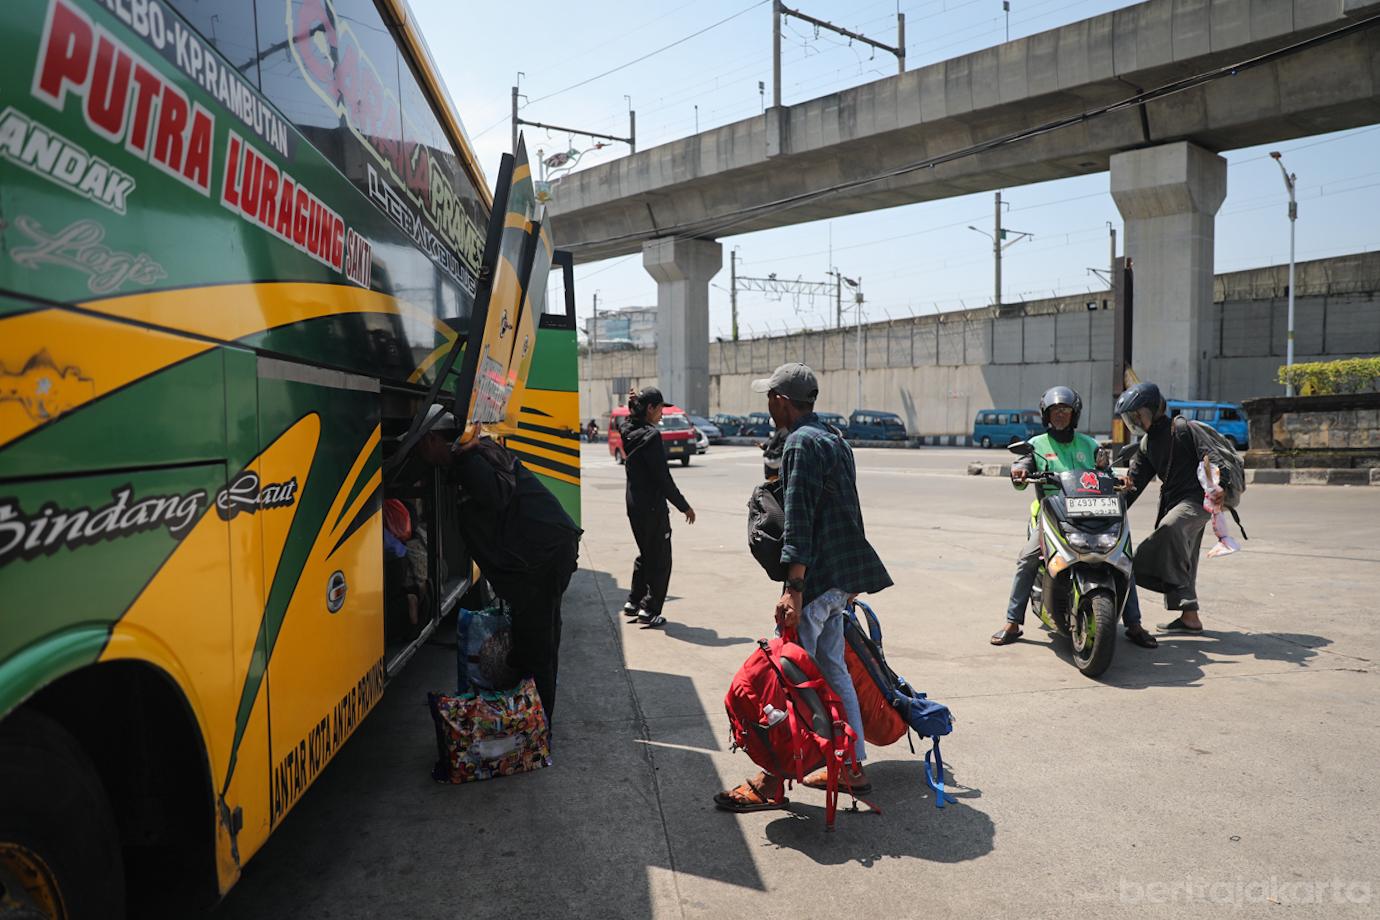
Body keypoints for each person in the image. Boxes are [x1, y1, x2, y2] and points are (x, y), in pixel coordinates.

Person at [717, 363, 891, 812]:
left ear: (780, 401)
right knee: (831, 668)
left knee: (785, 676)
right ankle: (851, 765)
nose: (768, 407)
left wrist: (793, 588)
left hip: (816, 581)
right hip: (842, 575)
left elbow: (799, 519)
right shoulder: (833, 438)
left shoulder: (799, 444)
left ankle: (772, 780)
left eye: (769, 400)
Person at [416, 406, 581, 724]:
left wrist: (465, 459)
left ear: (434, 439)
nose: (423, 455)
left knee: (537, 646)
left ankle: (538, 729)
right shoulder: (472, 457)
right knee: (538, 640)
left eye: (423, 445)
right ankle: (534, 720)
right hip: (546, 552)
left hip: (543, 559)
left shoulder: (470, 461)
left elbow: (493, 497)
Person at [990, 386, 1158, 649]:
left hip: (1092, 510)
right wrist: (1020, 472)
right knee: (1027, 558)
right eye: (1055, 411)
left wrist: (1119, 478)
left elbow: (1104, 473)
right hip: (1052, 514)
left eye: (1065, 410)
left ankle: (1134, 624)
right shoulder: (1036, 445)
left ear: (1074, 414)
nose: (1060, 415)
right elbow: (1023, 465)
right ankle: (1013, 622)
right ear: (1046, 415)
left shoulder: (1089, 445)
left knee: (1122, 557)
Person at [1115, 382, 1215, 633]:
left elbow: (1210, 457)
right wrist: (1112, 511)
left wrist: (1219, 486)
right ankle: (1190, 617)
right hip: (1176, 504)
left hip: (1198, 501)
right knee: (1183, 557)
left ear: (1153, 409)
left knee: (1170, 530)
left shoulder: (1182, 428)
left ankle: (1177, 599)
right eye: (1131, 417)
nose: (1135, 421)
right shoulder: (1147, 444)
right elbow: (1134, 483)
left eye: (1138, 415)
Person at [619, 387, 695, 628]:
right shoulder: (651, 437)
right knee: (661, 559)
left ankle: (634, 601)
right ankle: (650, 610)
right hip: (652, 508)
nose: (663, 414)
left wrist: (633, 407)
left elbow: (628, 421)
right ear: (650, 408)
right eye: (660, 408)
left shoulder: (627, 430)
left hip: (633, 505)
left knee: (646, 552)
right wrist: (684, 506)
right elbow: (663, 479)